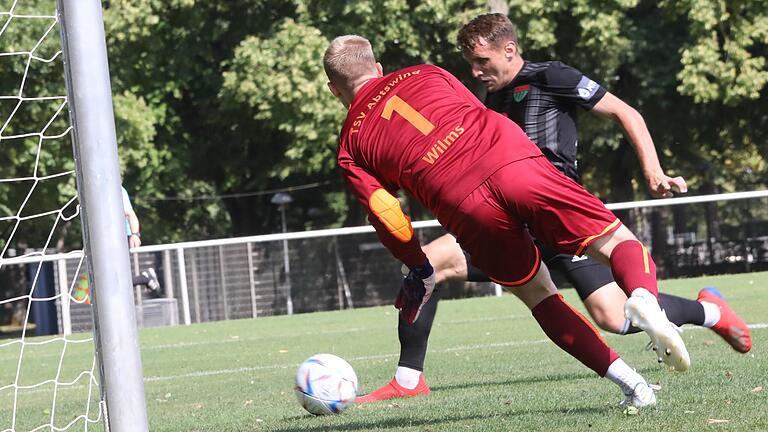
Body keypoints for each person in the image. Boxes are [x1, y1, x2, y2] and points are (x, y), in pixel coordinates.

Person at [358, 13, 752, 403]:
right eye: (470, 64)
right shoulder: (486, 99)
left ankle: (709, 313)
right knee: (427, 264)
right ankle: (409, 379)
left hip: (551, 210)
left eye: (482, 61)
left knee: (613, 317)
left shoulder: (552, 76)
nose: (475, 71)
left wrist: (654, 171)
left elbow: (624, 111)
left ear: (509, 49)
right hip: (506, 217)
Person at [122, 186, 160, 293]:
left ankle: (145, 278)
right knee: (88, 288)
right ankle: (144, 278)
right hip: (102, 241)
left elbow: (130, 213)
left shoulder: (115, 187)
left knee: (112, 282)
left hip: (120, 238)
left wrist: (135, 234)